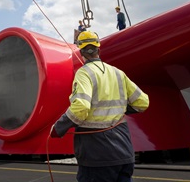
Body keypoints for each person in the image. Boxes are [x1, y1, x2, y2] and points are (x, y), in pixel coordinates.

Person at [51, 31, 149, 182]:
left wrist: (58, 128)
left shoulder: (84, 74)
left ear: (81, 51)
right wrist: (120, 108)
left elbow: (81, 108)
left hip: (97, 156)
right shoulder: (118, 73)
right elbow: (143, 102)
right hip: (124, 152)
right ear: (99, 49)